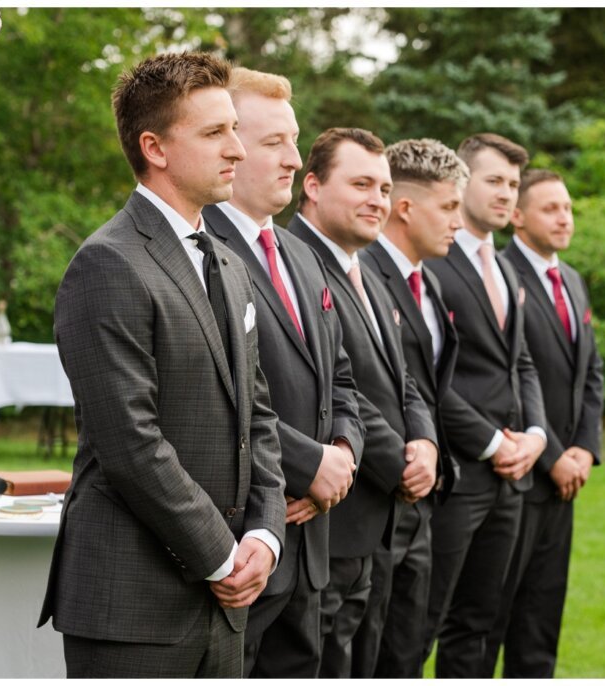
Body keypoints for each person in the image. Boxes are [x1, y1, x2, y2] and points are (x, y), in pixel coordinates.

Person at [37, 52, 286, 678]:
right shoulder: (108, 264)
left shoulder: (226, 263)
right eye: (214, 133)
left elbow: (257, 413)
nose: (237, 149)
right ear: (156, 147)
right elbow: (130, 443)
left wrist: (265, 535)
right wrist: (221, 557)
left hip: (226, 600)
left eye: (235, 130)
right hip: (133, 604)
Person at [201, 67, 365, 677]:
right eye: (275, 143)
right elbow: (217, 394)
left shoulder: (301, 252)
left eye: (294, 141)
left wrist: (344, 452)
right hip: (243, 545)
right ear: (233, 147)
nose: (294, 159)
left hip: (313, 547)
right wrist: (306, 465)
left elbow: (341, 375)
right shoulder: (197, 249)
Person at [287, 128, 438, 678]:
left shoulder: (368, 269)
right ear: (313, 186)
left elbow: (402, 378)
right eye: (361, 184)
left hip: (380, 518)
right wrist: (401, 462)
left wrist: (425, 440)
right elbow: (336, 388)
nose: (377, 199)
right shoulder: (295, 263)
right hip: (333, 516)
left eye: (383, 187)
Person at [422, 132, 547, 677]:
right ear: (463, 181)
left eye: (514, 184)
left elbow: (521, 362)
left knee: (480, 623)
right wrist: (492, 442)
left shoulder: (508, 268)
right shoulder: (435, 264)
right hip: (457, 474)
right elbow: (426, 376)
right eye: (494, 180)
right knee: (422, 623)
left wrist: (536, 436)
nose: (506, 194)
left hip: (512, 479)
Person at [355, 138, 465, 677]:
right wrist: (401, 458)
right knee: (373, 656)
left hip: (424, 494)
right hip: (377, 495)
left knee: (409, 651)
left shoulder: (431, 285)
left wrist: (429, 450)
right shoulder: (364, 272)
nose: (458, 224)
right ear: (406, 207)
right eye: (449, 208)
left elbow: (422, 386)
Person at [489, 169, 604, 677]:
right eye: (551, 208)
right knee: (490, 618)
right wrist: (554, 457)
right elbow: (513, 379)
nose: (565, 218)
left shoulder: (573, 281)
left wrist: (584, 448)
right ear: (517, 217)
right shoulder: (497, 274)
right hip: (514, 479)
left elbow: (591, 371)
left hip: (564, 484)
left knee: (542, 618)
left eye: (569, 208)